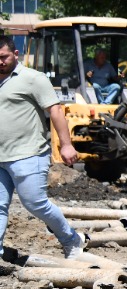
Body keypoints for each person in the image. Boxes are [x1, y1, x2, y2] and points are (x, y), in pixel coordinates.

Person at [0, 40, 85, 260]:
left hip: (28, 153)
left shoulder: (32, 78)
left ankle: (71, 240)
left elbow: (55, 110)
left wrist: (66, 144)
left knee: (35, 203)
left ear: (15, 54)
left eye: (4, 57)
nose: (0, 62)